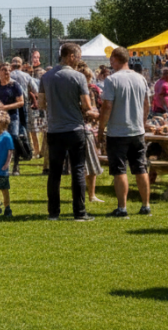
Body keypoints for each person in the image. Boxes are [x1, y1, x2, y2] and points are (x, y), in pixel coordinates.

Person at [39, 43, 97, 221]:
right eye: (78, 56)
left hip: (54, 129)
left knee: (54, 173)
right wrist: (91, 111)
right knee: (78, 169)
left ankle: (53, 212)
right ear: (71, 56)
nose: (79, 59)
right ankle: (79, 212)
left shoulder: (46, 77)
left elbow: (41, 104)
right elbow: (87, 106)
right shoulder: (78, 77)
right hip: (74, 129)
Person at [99, 46, 152, 217]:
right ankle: (146, 205)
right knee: (140, 168)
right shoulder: (141, 78)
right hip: (137, 131)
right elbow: (147, 105)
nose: (110, 62)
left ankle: (122, 208)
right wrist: (142, 124)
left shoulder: (112, 80)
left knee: (119, 170)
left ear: (115, 59)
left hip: (118, 132)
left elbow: (107, 106)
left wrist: (101, 129)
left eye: (111, 59)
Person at [0, 63, 25, 175]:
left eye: (9, 70)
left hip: (12, 115)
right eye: (4, 70)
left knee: (13, 136)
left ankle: (16, 165)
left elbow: (21, 102)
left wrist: (5, 107)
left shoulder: (15, 85)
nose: (7, 72)